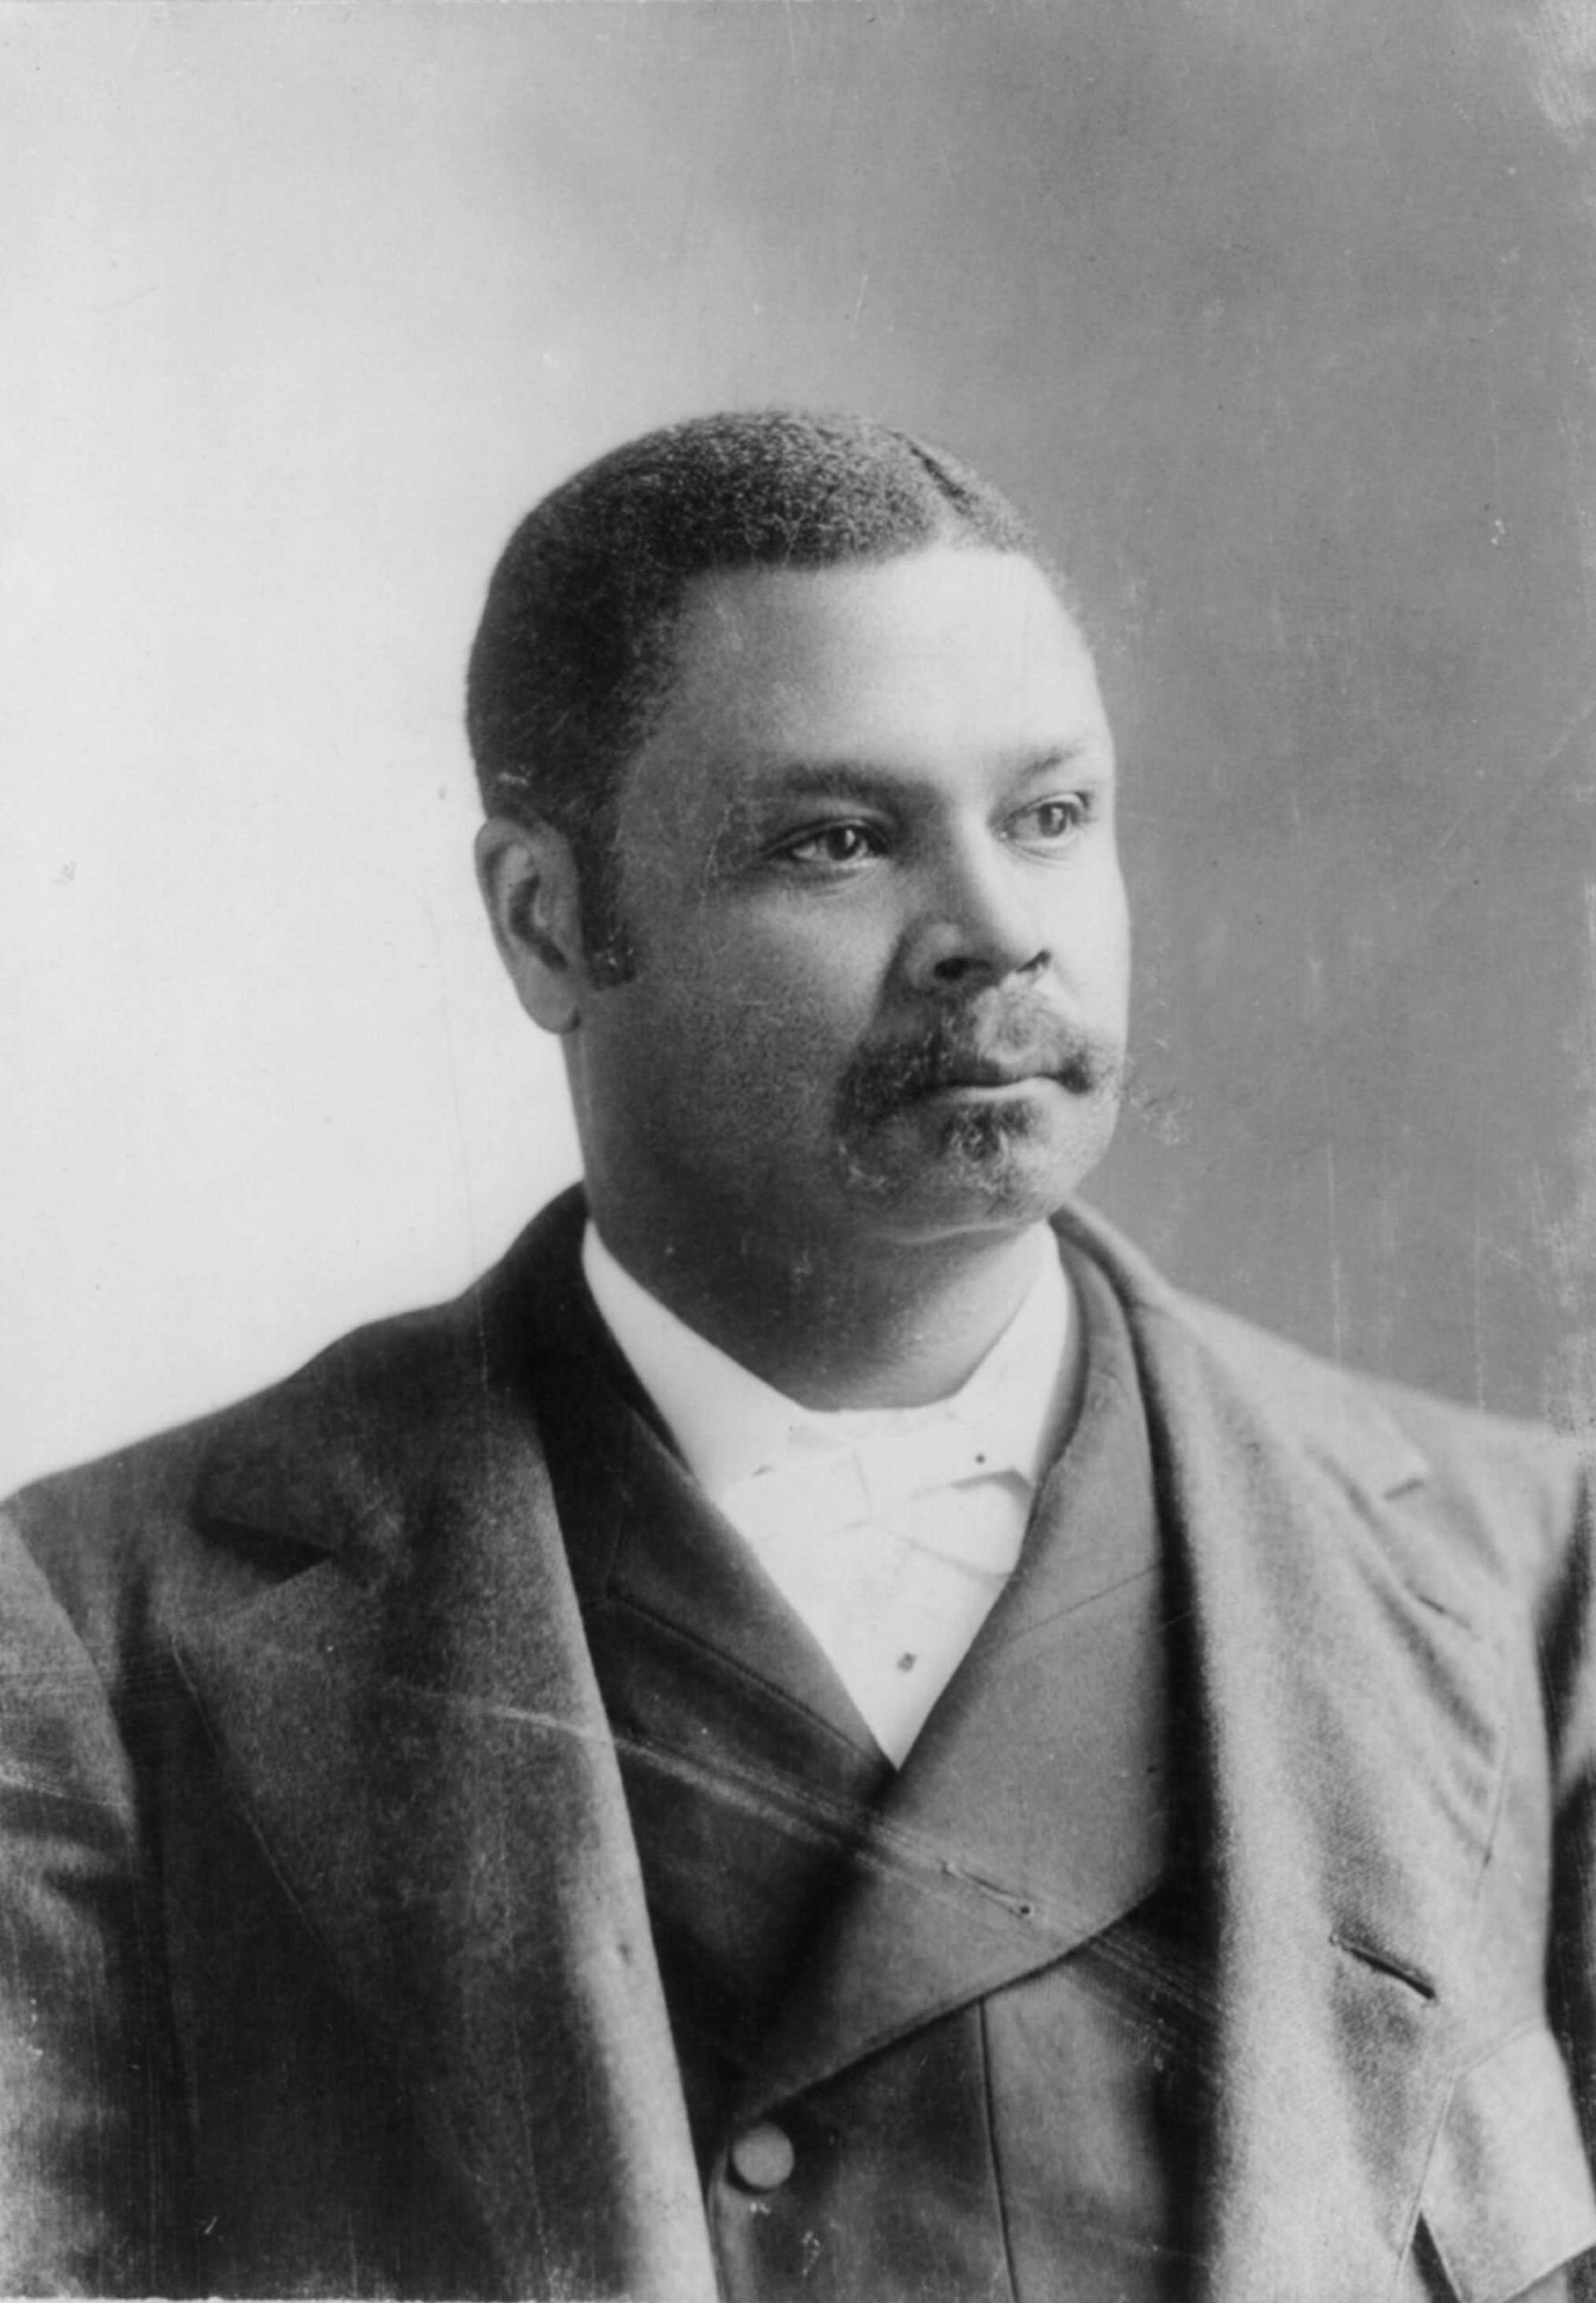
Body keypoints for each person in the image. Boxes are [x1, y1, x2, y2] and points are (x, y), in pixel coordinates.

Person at [3, 409, 1595, 2303]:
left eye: (1052, 815)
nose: (997, 930)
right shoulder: (100, 1631)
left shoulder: (1532, 1574)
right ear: (545, 921)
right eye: (838, 839)